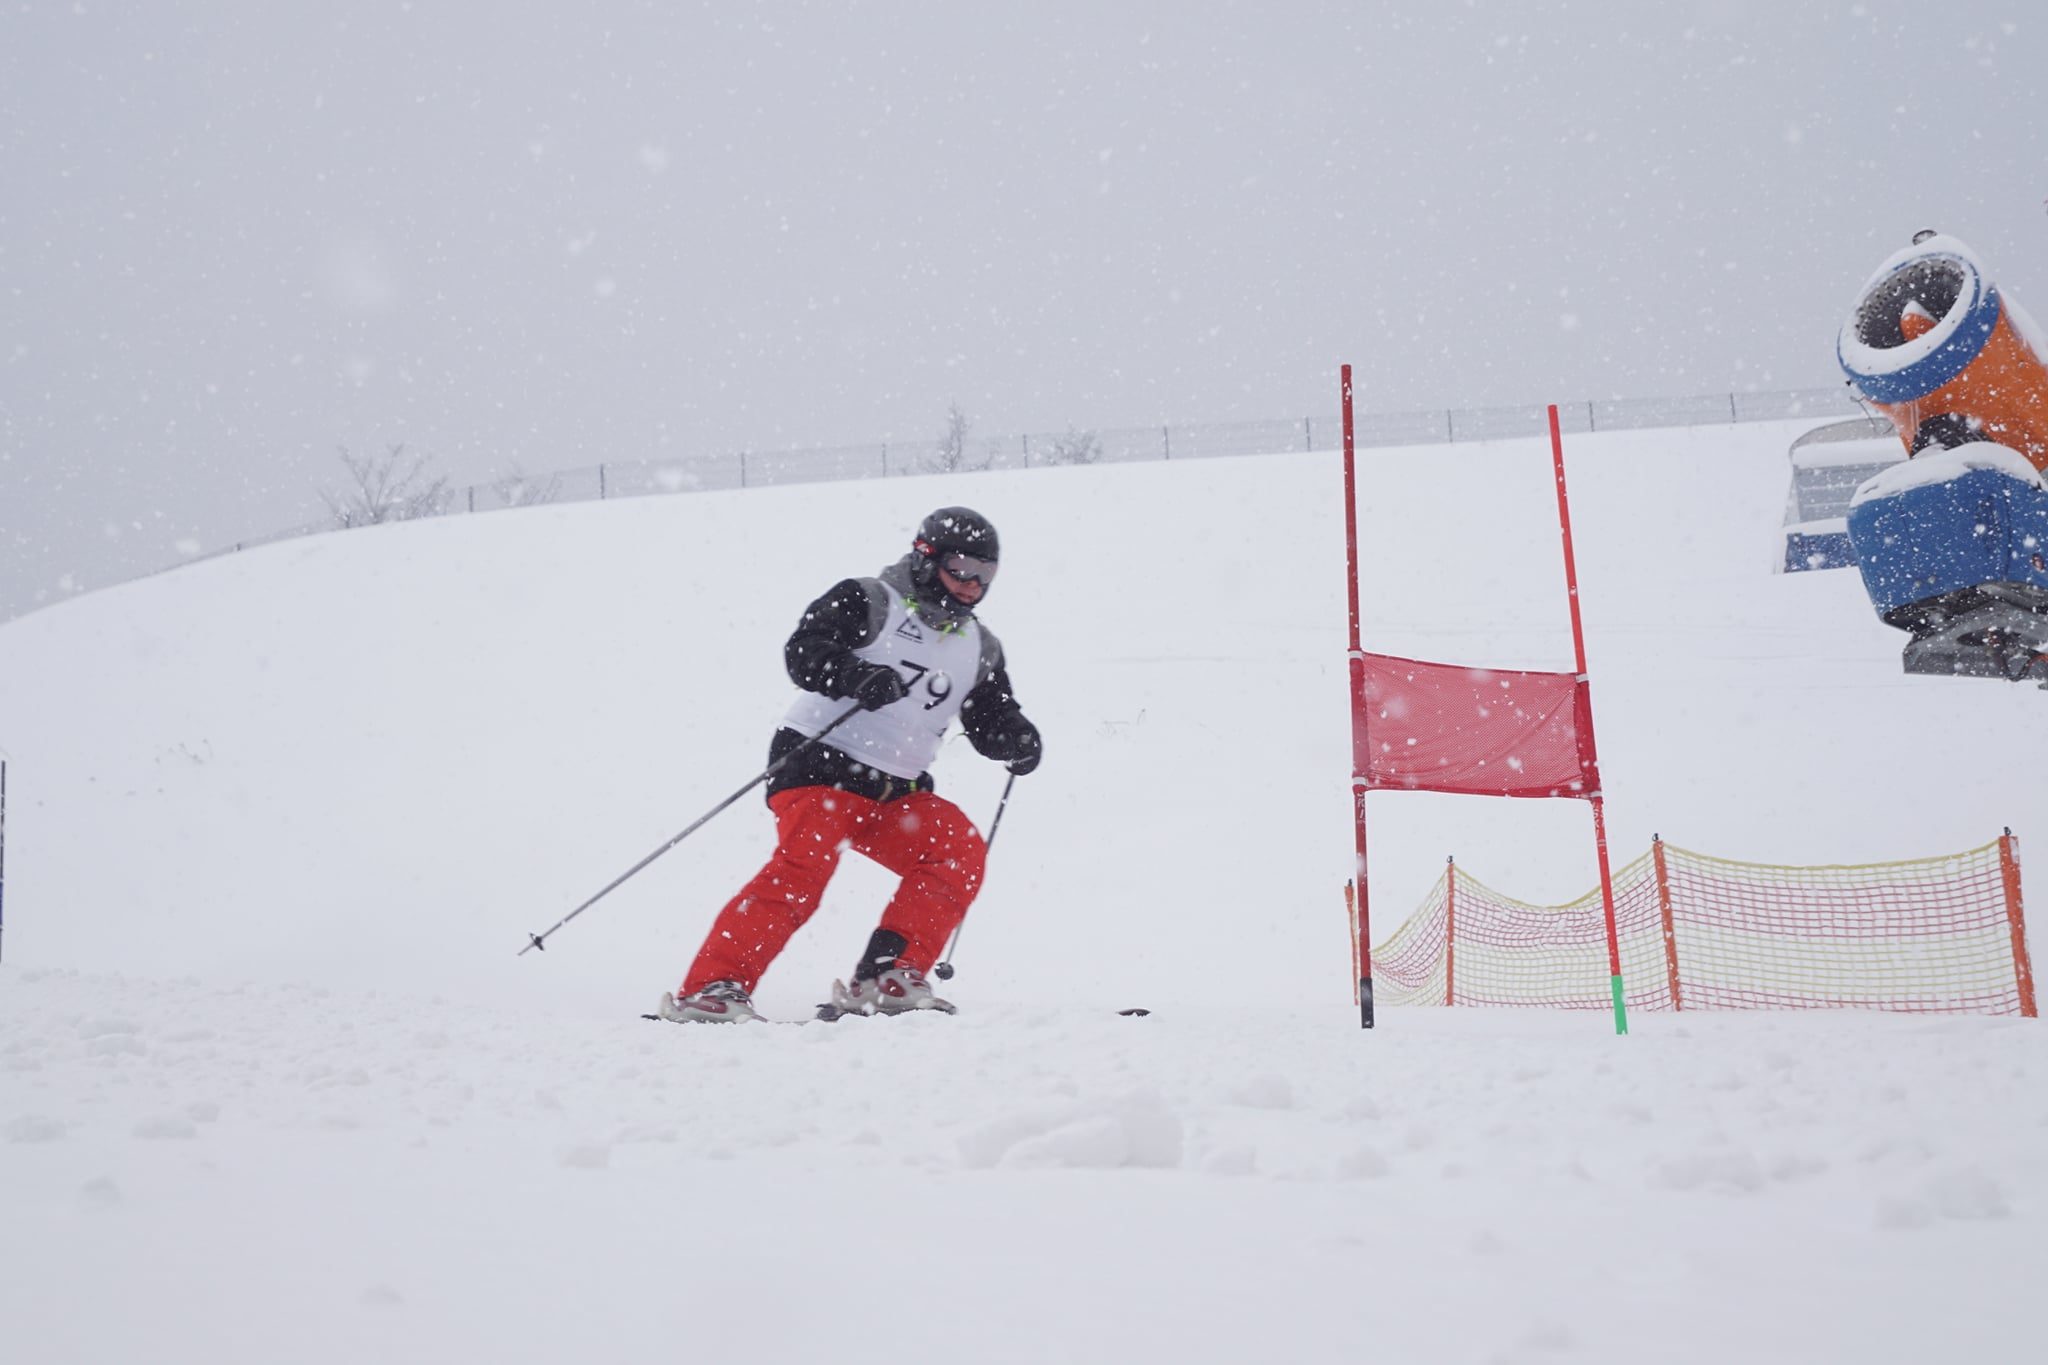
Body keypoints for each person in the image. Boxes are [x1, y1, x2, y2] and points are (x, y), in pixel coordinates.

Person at [657, 506, 1042, 1023]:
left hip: (896, 793)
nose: (973, 585)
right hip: (818, 770)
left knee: (958, 848)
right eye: (962, 569)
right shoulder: (867, 599)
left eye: (985, 575)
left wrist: (1015, 738)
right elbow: (804, 650)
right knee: (805, 866)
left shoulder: (980, 647)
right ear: (927, 560)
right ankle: (712, 987)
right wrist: (853, 674)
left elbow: (991, 716)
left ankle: (887, 978)